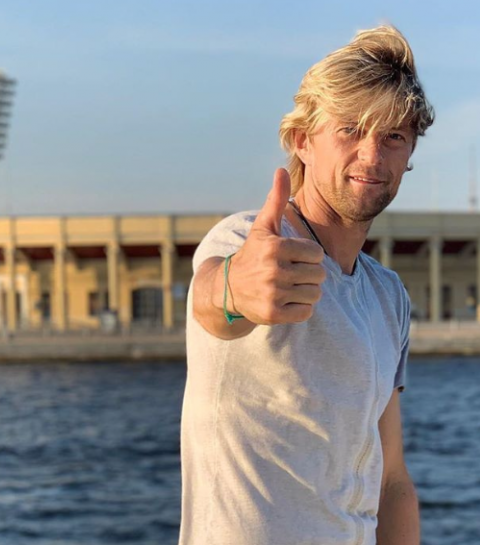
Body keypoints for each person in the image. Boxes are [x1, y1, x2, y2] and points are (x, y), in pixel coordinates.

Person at [179, 24, 434, 545]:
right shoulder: (248, 241)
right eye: (350, 130)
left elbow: (391, 481)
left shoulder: (387, 297)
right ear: (303, 141)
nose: (372, 155)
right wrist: (235, 291)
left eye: (393, 136)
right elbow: (212, 303)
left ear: (409, 153)